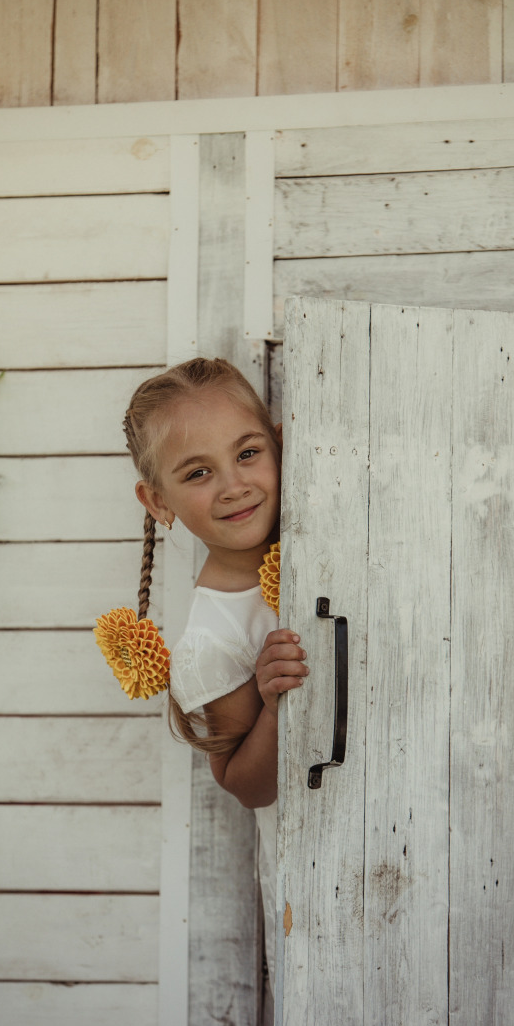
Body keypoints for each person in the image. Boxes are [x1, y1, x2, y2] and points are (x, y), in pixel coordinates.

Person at [122, 356, 309, 984]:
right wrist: (277, 701)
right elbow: (246, 785)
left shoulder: (327, 542)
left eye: (248, 453)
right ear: (158, 501)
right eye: (198, 472)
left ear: (281, 443)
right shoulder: (211, 637)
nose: (233, 485)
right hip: (317, 873)